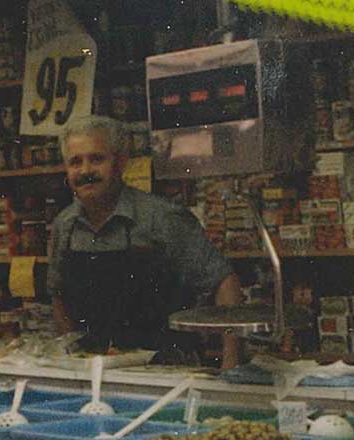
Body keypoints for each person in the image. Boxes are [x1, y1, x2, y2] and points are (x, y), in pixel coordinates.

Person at [47, 116, 244, 366]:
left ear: (120, 163)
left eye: (96, 159)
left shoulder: (162, 218)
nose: (85, 171)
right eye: (75, 162)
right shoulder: (64, 226)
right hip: (95, 374)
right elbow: (59, 297)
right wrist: (71, 362)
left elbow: (224, 281)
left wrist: (231, 362)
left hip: (166, 370)